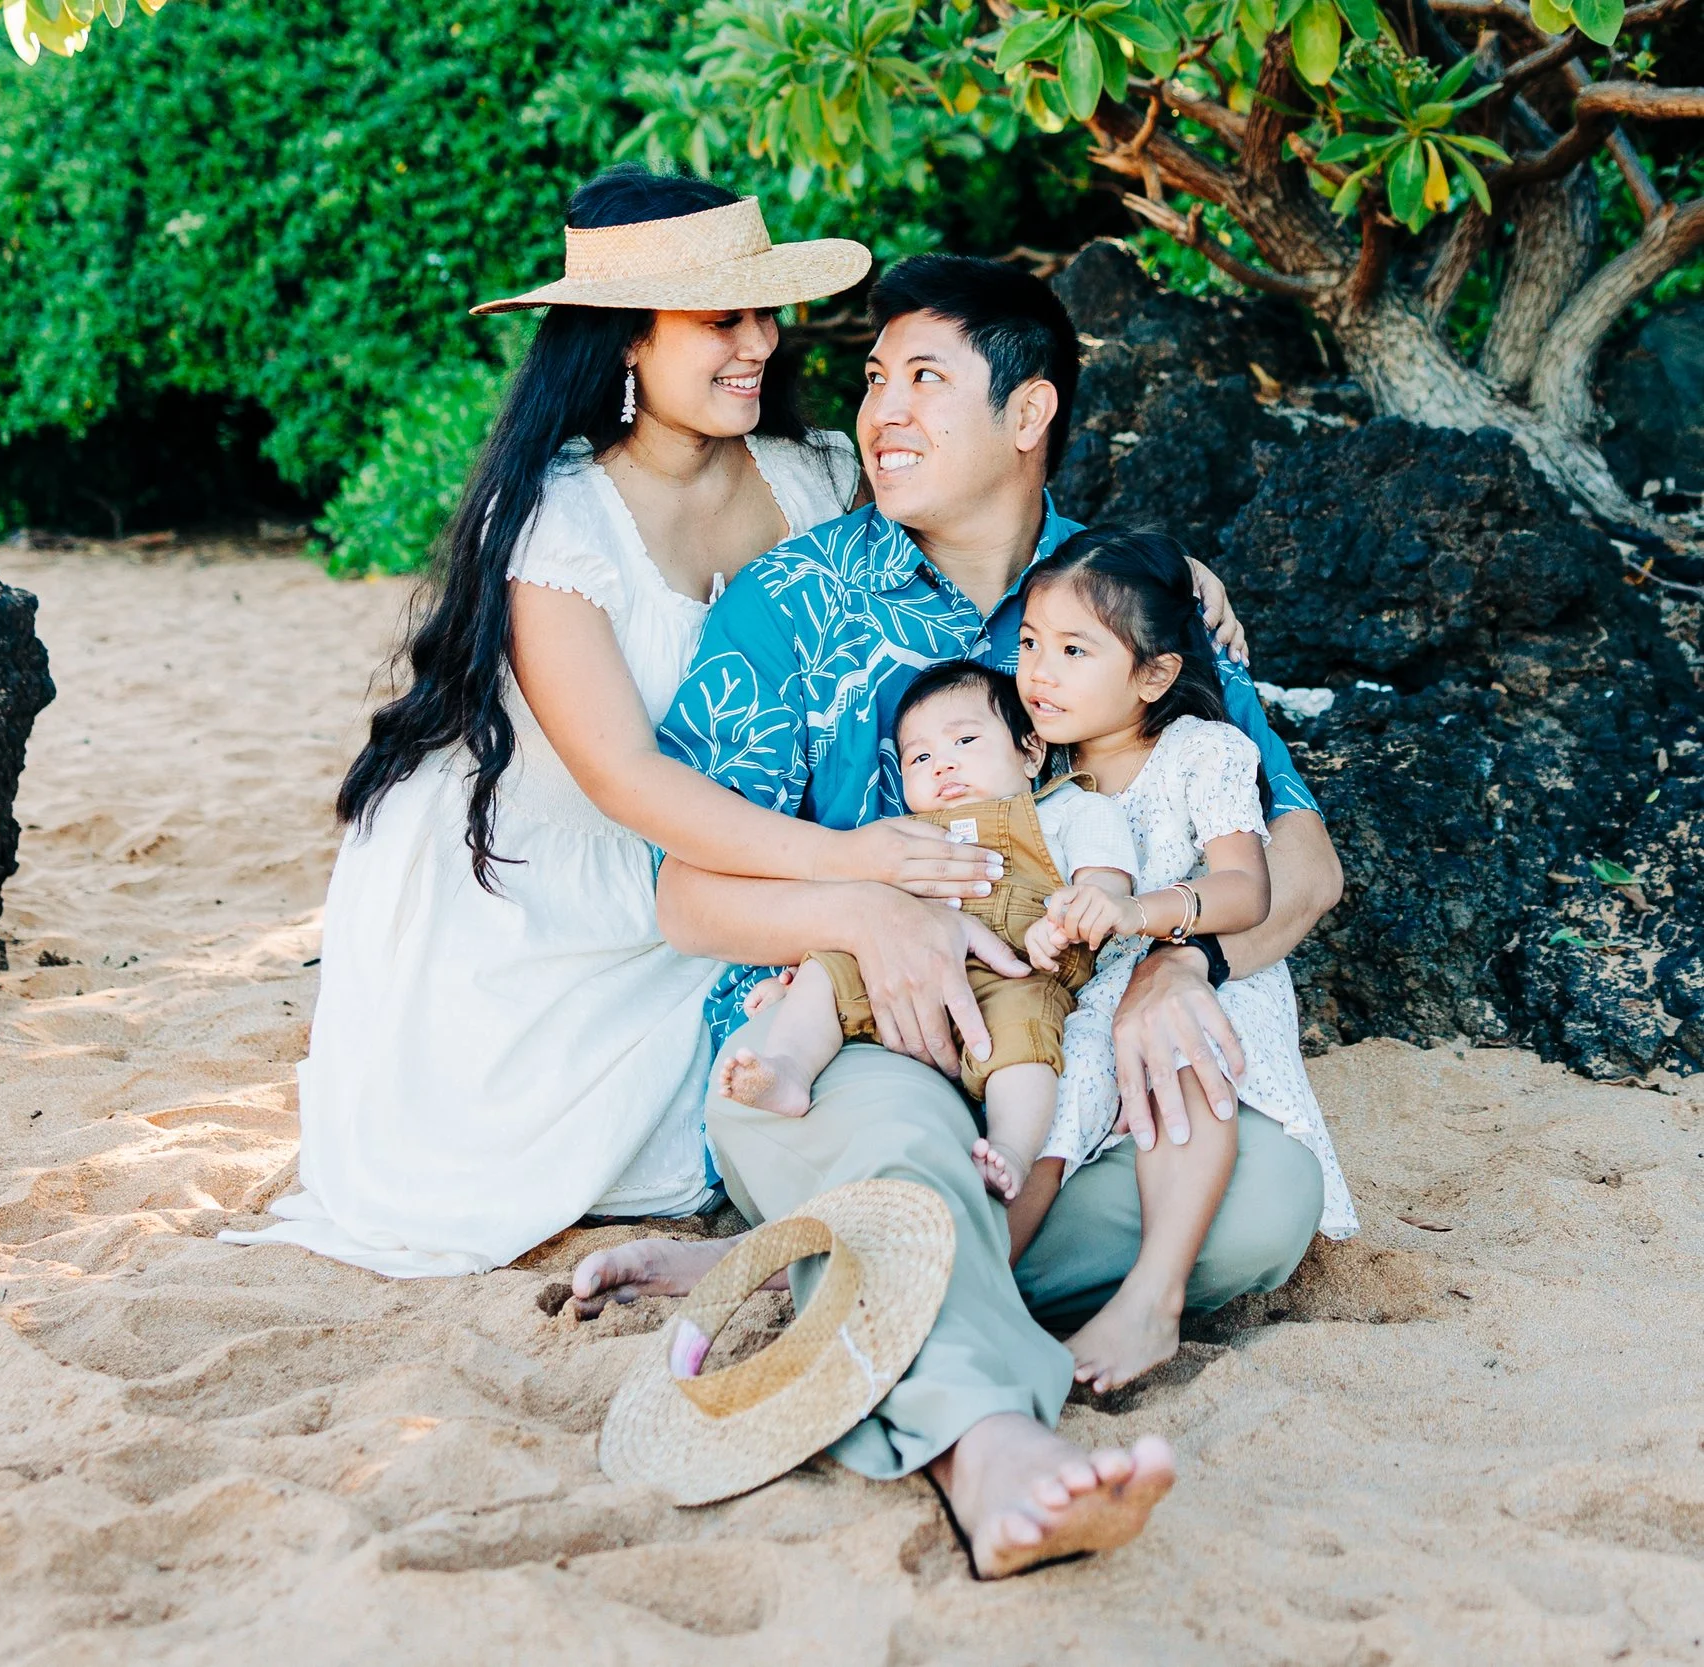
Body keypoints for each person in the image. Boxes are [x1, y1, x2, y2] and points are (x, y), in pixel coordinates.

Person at [569, 253, 1345, 1578]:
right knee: (914, 1139)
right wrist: (875, 919)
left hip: (1052, 1052)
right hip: (830, 1041)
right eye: (874, 380)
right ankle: (993, 1449)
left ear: (1031, 413)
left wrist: (1180, 962)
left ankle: (808, 1264)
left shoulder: (1128, 600)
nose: (882, 412)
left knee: (1265, 1197)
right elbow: (684, 892)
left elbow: (1306, 866)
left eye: (925, 378)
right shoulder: (790, 603)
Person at [222, 169, 1008, 1278]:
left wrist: (1160, 579)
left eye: (763, 312)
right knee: (532, 1163)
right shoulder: (557, 515)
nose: (760, 344)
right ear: (625, 341)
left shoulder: (818, 475)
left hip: (739, 854)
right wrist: (845, 867)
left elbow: (979, 547)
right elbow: (626, 780)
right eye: (718, 319)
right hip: (555, 877)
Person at [1010, 528, 1356, 1393]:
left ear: (1155, 674)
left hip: (1203, 984)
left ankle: (1154, 1295)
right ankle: (971, 1287)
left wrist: (1148, 918)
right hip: (1088, 1003)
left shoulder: (1201, 754)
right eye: (1028, 644)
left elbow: (1248, 890)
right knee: (1050, 1122)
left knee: (1181, 1070)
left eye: (1074, 650)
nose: (1039, 672)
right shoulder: (1039, 773)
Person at [715, 662, 1139, 1230]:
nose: (942, 763)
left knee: (1026, 1044)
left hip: (1014, 974)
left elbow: (1108, 889)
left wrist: (1068, 917)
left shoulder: (1068, 812)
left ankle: (1011, 1148)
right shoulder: (903, 836)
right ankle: (789, 1068)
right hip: (899, 968)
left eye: (965, 740)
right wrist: (797, 978)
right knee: (830, 962)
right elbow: (860, 911)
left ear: (1030, 753)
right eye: (919, 758)